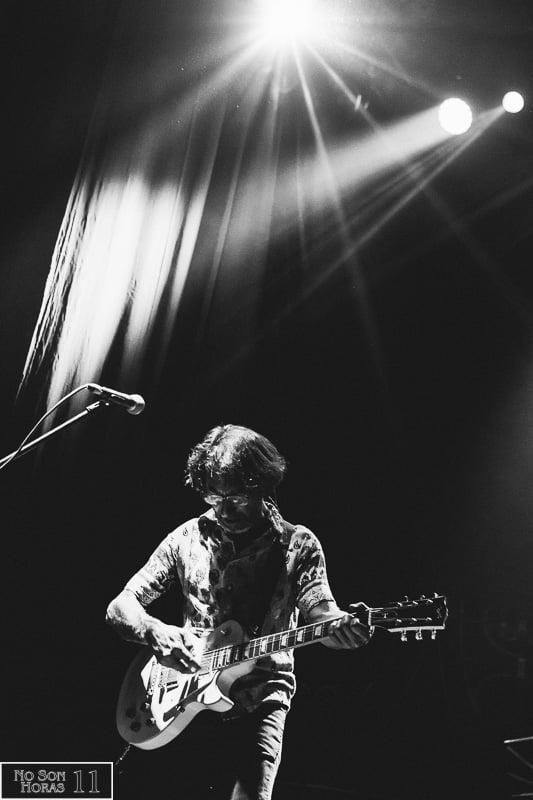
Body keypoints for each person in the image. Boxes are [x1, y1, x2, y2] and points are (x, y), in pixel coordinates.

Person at [106, 424, 372, 800]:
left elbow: (322, 613)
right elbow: (120, 606)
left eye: (236, 498)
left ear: (262, 485)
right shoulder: (186, 538)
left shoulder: (297, 545)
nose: (224, 510)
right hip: (181, 697)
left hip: (259, 702)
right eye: (214, 497)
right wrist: (153, 630)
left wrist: (342, 627)